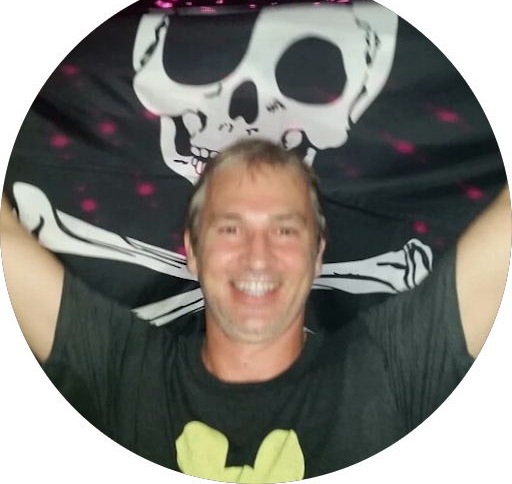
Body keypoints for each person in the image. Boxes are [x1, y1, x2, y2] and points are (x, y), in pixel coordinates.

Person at [1, 138, 510, 480]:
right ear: (192, 251)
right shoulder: (121, 371)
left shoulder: (388, 369)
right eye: (230, 228)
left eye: (285, 230)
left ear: (318, 253)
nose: (258, 256)